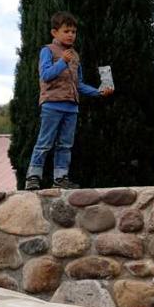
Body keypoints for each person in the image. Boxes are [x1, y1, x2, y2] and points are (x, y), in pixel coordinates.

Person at [23, 12, 113, 191]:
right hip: (52, 104)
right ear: (54, 32)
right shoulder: (47, 50)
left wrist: (99, 92)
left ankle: (61, 178)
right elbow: (46, 75)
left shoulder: (75, 56)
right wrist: (62, 62)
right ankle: (32, 178)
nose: (71, 34)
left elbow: (78, 84)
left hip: (72, 107)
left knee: (65, 145)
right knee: (45, 141)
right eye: (66, 31)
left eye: (73, 31)